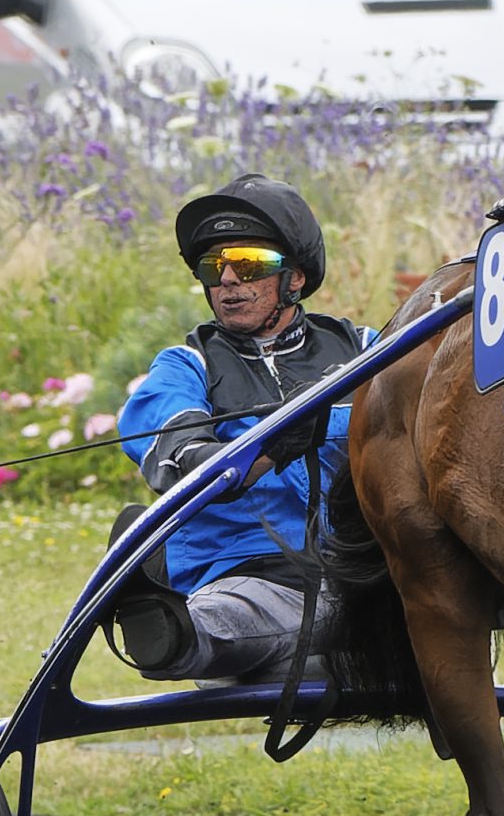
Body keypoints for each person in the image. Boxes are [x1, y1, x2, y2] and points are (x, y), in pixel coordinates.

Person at [113, 175, 373, 682]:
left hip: (362, 570)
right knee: (244, 612)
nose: (228, 280)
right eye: (214, 267)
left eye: (249, 264)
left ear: (294, 277)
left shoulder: (367, 350)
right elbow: (179, 459)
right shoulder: (185, 366)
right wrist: (274, 443)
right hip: (244, 575)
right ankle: (174, 633)